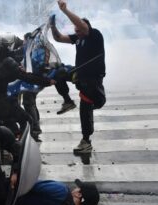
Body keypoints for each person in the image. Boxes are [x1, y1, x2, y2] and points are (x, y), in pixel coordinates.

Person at [51, 0, 106, 153]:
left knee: (85, 109)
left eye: (79, 30)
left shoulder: (95, 35)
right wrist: (52, 26)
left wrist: (65, 10)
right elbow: (59, 38)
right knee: (58, 72)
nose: (77, 34)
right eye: (76, 31)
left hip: (91, 80)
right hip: (79, 73)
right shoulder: (79, 37)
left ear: (86, 28)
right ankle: (67, 101)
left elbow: (82, 27)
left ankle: (86, 141)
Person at [0, 35, 55, 138]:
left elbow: (1, 77)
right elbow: (26, 77)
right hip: (0, 104)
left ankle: (11, 145)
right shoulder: (6, 61)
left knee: (10, 126)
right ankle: (22, 149)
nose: (8, 49)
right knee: (27, 121)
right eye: (6, 47)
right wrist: (47, 81)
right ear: (2, 48)